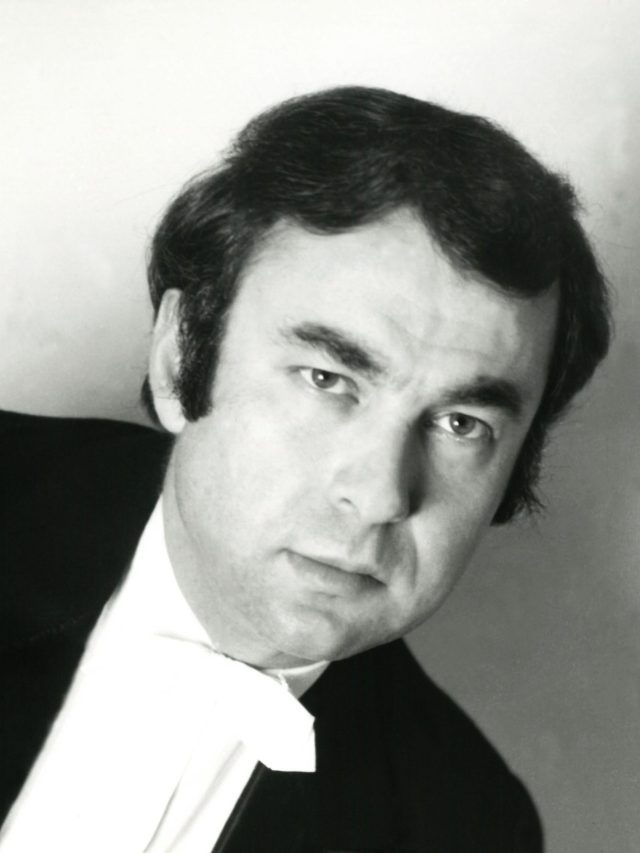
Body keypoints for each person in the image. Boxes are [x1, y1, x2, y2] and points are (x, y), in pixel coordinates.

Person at [0, 86, 610, 852]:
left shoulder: (470, 828)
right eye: (327, 379)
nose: (379, 494)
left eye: (462, 423)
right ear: (180, 359)